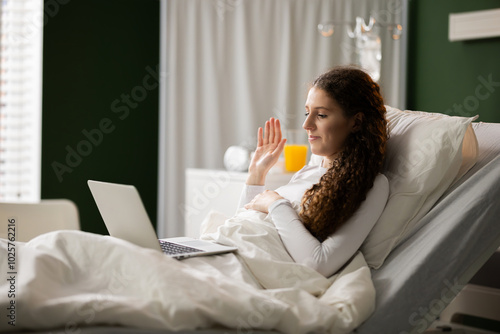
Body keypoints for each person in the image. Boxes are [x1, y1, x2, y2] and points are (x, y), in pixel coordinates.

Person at [239, 66, 390, 277]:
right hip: (230, 249)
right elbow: (245, 221)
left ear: (356, 122)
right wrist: (256, 175)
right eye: (307, 112)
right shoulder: (310, 170)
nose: (306, 124)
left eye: (321, 115)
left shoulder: (373, 185)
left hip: (249, 268)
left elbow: (318, 263)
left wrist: (275, 204)